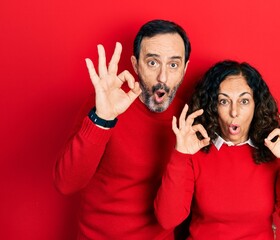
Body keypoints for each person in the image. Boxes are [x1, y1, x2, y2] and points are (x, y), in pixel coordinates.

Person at [54, 19, 191, 240]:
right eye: (153, 63)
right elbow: (66, 184)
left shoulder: (187, 117)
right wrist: (103, 119)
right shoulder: (104, 104)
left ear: (185, 68)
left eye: (173, 65)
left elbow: (172, 216)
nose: (163, 78)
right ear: (136, 65)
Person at [154, 60, 280, 239]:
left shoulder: (273, 151)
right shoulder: (195, 149)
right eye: (224, 101)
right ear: (212, 106)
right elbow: (167, 220)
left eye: (244, 101)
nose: (234, 112)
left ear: (257, 105)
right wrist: (180, 155)